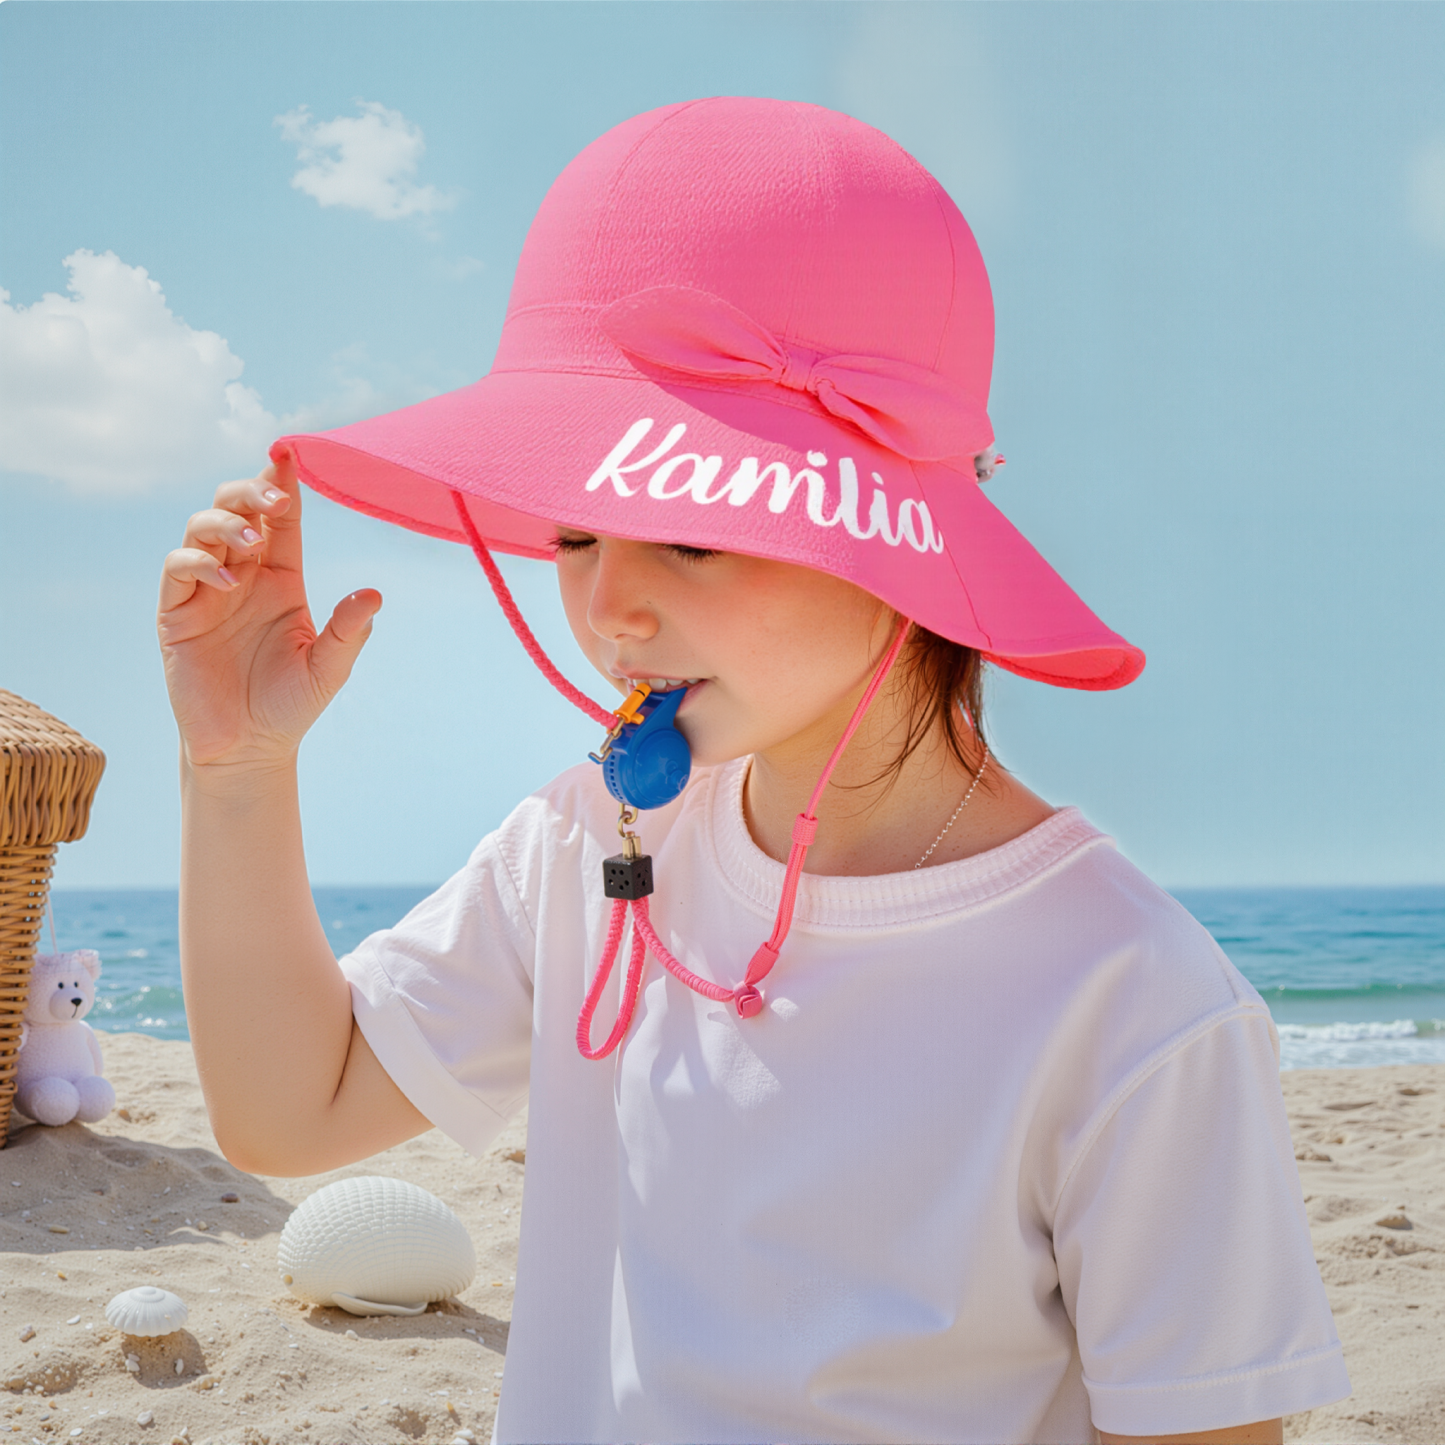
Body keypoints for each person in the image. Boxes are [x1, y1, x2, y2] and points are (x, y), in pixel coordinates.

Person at [158, 98, 1348, 1444]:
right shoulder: (597, 836)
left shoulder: (1130, 1001)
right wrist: (240, 767)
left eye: (693, 529)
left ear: (894, 534)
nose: (611, 611)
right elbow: (286, 1107)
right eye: (575, 535)